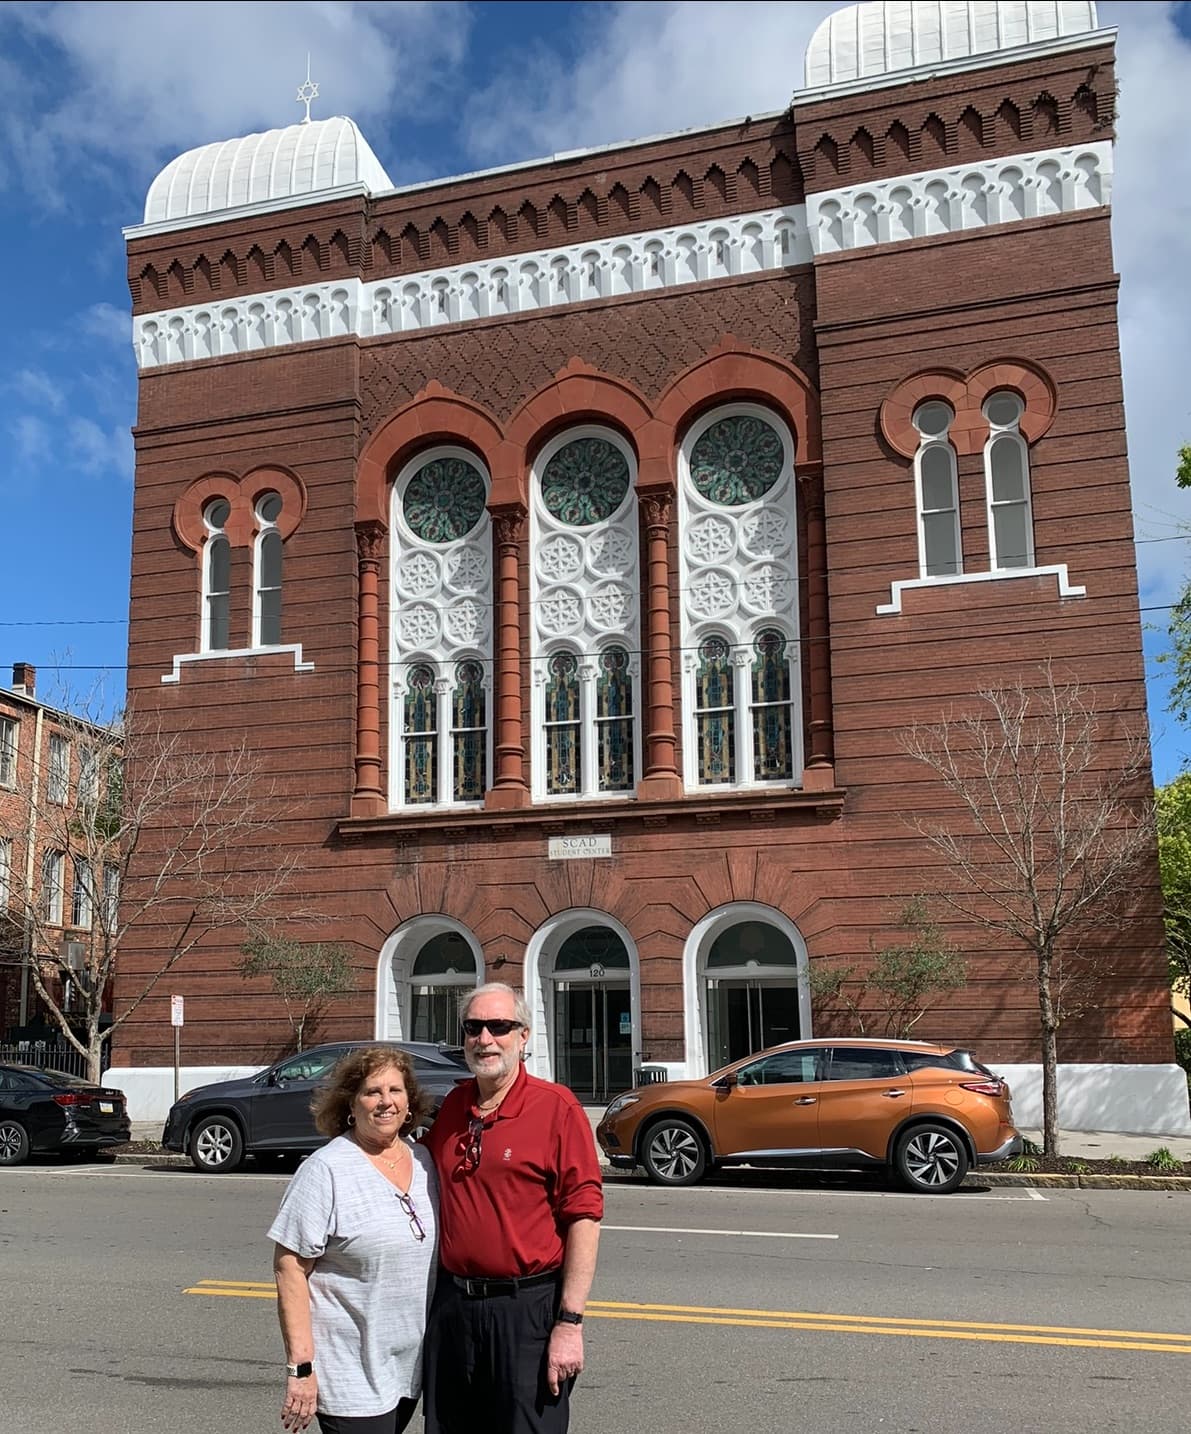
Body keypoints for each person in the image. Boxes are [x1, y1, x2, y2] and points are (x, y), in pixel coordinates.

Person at [421, 981, 603, 1434]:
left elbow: (584, 1215)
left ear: (523, 1036)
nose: (485, 1039)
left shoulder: (556, 1108)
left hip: (527, 1311)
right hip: (453, 1309)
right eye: (474, 1027)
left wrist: (570, 1323)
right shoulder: (452, 1108)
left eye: (499, 1026)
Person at [268, 1046, 439, 1434]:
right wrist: (301, 1368)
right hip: (348, 1371)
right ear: (350, 1103)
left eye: (395, 1091)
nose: (385, 1102)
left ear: (409, 1101)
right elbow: (289, 1268)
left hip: (406, 1368)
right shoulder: (326, 1170)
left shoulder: (425, 1161)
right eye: (371, 1091)